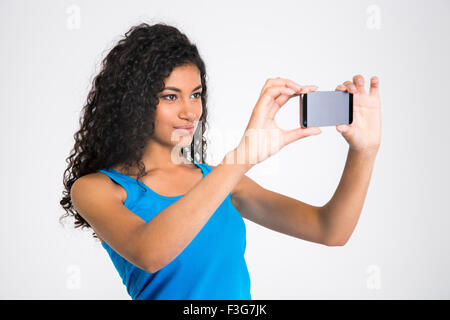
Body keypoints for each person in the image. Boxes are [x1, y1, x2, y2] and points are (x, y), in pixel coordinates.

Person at [60, 22, 381, 300]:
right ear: (134, 101)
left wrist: (364, 150)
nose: (190, 111)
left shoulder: (221, 179)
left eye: (196, 94)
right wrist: (241, 158)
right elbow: (151, 252)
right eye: (171, 96)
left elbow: (330, 230)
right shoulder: (97, 189)